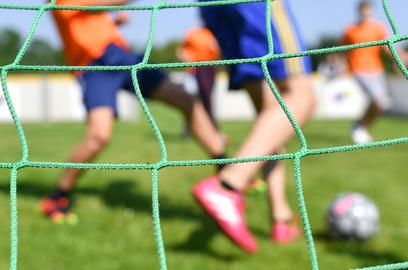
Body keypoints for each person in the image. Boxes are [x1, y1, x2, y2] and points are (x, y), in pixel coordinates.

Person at [40, 0, 226, 224]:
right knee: (98, 137)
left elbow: (92, 22)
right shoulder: (61, 1)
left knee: (186, 100)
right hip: (95, 68)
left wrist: (115, 23)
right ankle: (57, 196)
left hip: (121, 57)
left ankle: (226, 170)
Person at [193, 0, 316, 253]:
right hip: (254, 4)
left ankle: (280, 218)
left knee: (270, 122)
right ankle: (228, 185)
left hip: (213, 7)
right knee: (303, 97)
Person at [342, 0, 391, 144]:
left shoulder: (378, 27)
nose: (365, 12)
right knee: (377, 100)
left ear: (371, 11)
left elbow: (386, 47)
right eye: (362, 9)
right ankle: (361, 128)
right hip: (358, 69)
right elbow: (342, 50)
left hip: (376, 68)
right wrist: (342, 66)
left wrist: (398, 60)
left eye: (367, 9)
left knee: (382, 103)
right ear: (359, 11)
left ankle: (362, 126)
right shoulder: (350, 30)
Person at [178, 27, 220, 126]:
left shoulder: (214, 32)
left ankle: (210, 126)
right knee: (191, 97)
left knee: (206, 96)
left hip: (208, 67)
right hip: (193, 69)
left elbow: (218, 49)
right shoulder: (193, 33)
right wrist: (186, 57)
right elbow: (182, 50)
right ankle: (190, 126)